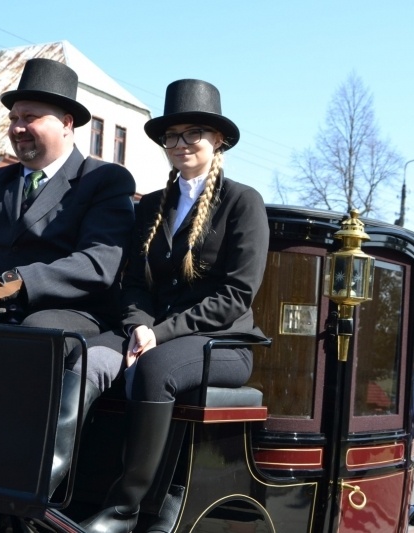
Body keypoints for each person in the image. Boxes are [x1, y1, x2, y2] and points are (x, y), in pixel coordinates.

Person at [76, 79, 270, 533]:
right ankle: (62, 486)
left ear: (217, 140)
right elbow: (134, 284)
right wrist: (139, 324)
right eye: (171, 136)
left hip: (223, 342)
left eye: (192, 134)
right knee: (80, 352)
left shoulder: (243, 203)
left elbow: (235, 297)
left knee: (154, 369)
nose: (180, 144)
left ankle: (126, 509)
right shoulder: (151, 207)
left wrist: (157, 335)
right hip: (154, 332)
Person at [0, 57, 135, 342]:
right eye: (13, 118)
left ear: (66, 123)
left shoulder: (103, 180)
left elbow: (98, 263)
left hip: (67, 315)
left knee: (31, 333)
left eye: (30, 118)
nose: (17, 127)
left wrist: (22, 281)